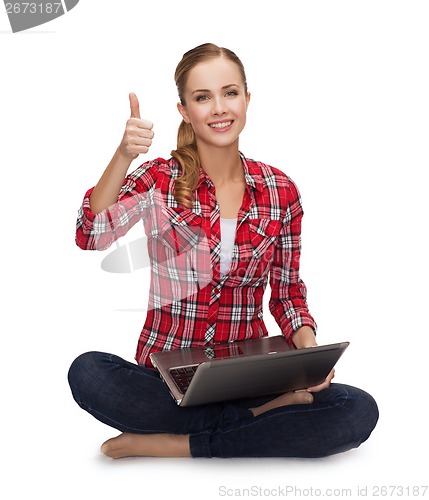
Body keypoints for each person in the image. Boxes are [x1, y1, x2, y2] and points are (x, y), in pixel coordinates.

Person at [68, 42, 378, 459]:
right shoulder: (160, 178)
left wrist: (307, 352)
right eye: (202, 97)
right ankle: (261, 420)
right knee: (89, 372)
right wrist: (123, 155)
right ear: (184, 110)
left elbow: (287, 294)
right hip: (168, 382)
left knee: (356, 409)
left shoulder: (280, 190)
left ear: (247, 99)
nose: (219, 108)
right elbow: (92, 235)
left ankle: (181, 444)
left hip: (252, 379)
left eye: (229, 93)